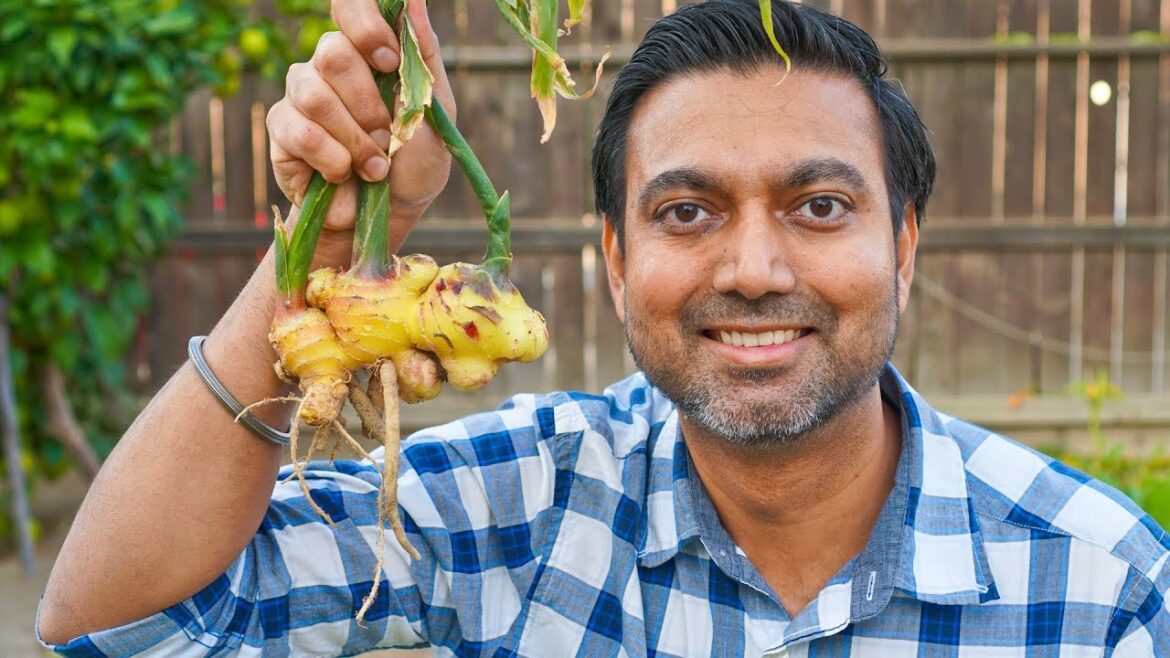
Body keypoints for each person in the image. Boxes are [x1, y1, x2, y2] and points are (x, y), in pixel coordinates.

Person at [37, 0, 1170, 655]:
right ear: (618, 262)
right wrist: (321, 250)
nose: (756, 268)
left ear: (906, 244)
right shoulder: (519, 504)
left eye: (820, 206)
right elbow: (117, 628)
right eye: (687, 212)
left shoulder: (1103, 584)